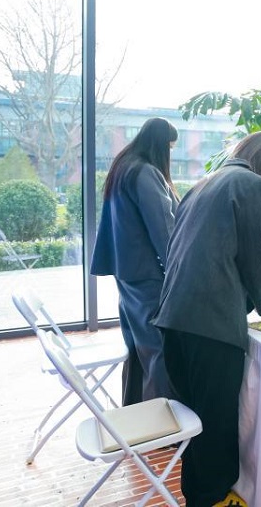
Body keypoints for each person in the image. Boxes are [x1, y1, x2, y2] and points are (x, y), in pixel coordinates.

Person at [153, 132, 261, 507]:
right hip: (209, 322)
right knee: (216, 419)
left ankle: (198, 495)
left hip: (175, 315)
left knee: (196, 417)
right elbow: (253, 252)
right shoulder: (252, 184)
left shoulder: (204, 183)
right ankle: (213, 498)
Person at [91, 117, 178, 406]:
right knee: (158, 350)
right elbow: (163, 228)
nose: (170, 154)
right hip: (146, 274)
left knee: (138, 347)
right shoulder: (145, 172)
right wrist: (177, 270)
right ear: (160, 144)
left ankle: (136, 408)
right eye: (170, 147)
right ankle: (160, 418)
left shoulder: (123, 167)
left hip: (127, 271)